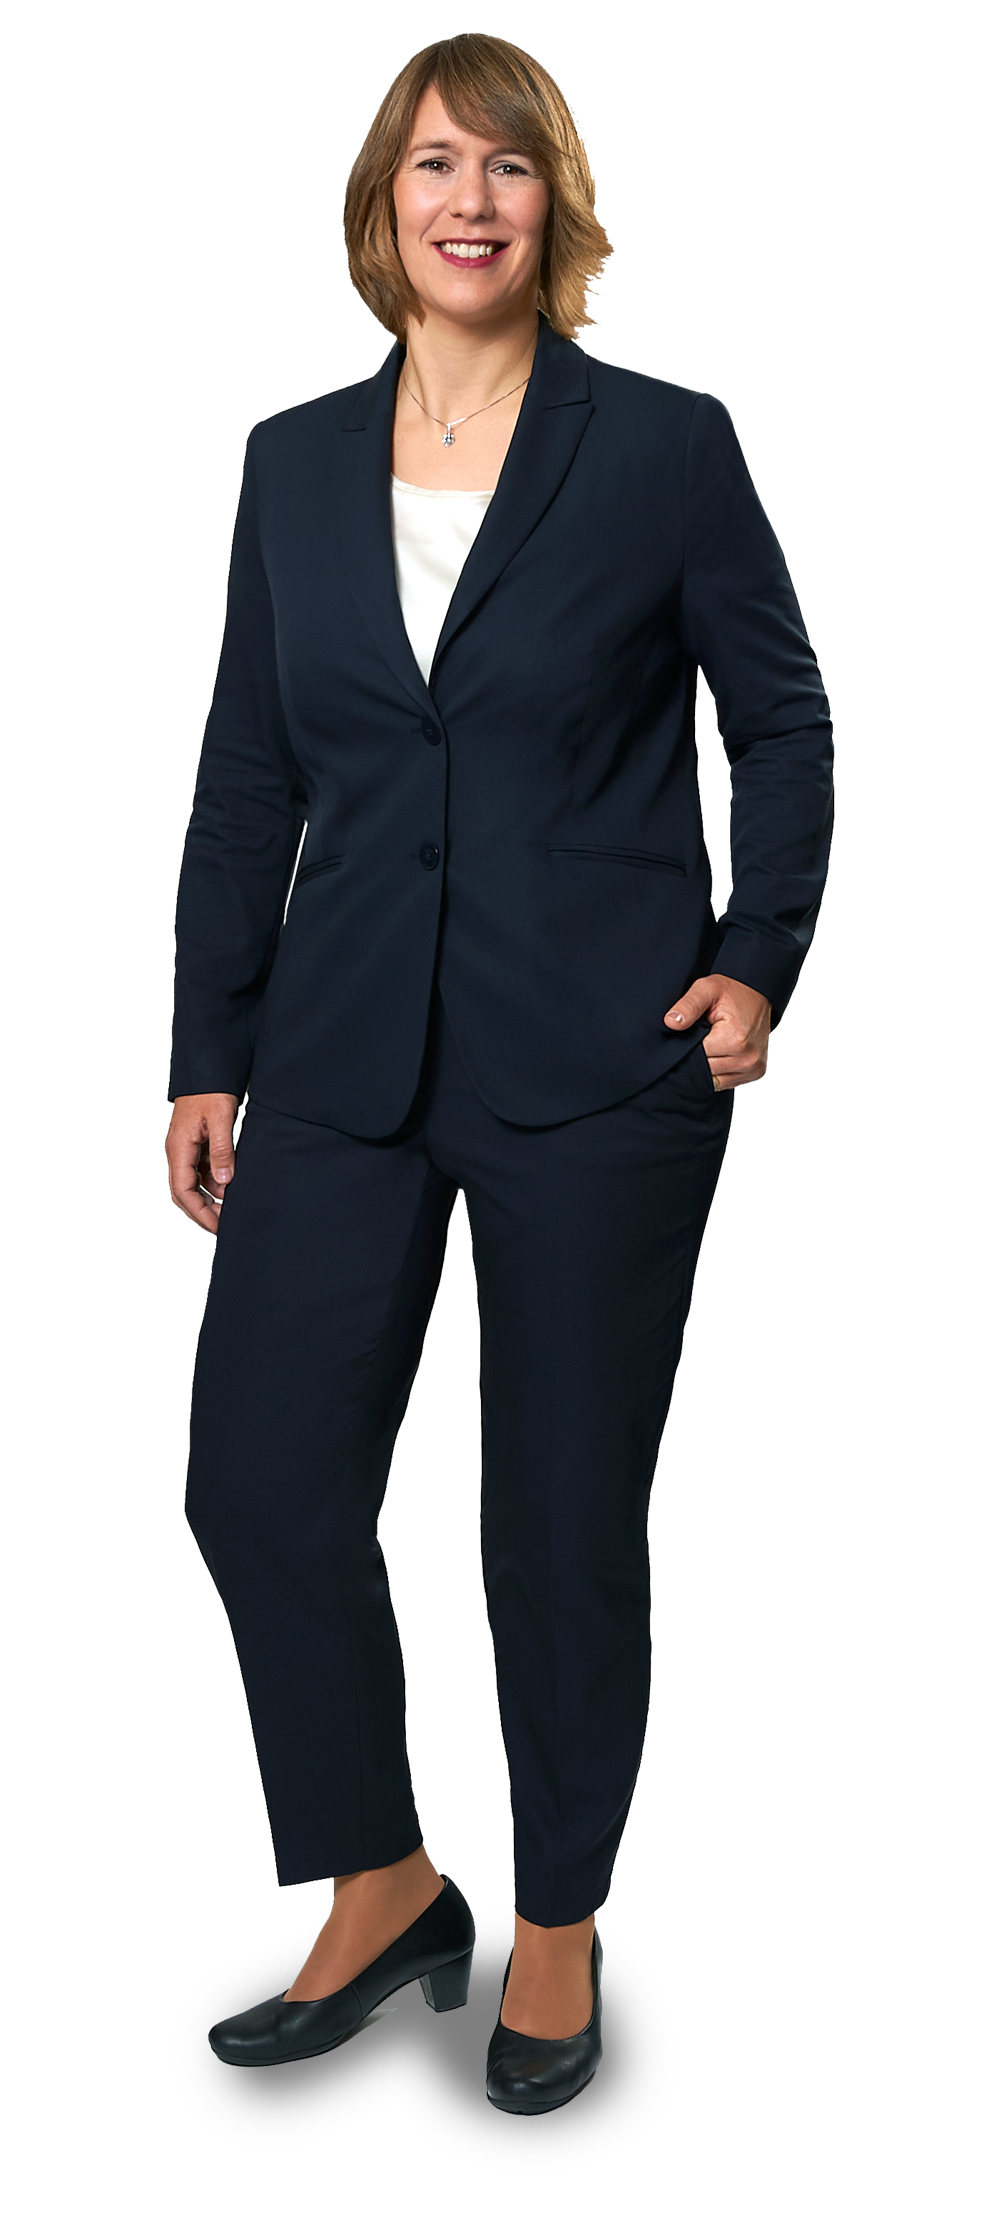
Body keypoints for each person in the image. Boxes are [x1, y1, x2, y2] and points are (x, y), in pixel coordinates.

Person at [166, 34, 833, 2116]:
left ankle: (555, 1929)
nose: (472, 200)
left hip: (602, 1056)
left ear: (555, 209)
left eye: (510, 168)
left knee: (555, 1522)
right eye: (437, 163)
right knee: (258, 1479)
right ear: (384, 201)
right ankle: (382, 1887)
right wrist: (206, 1047)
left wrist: (754, 962)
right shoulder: (293, 466)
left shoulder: (660, 451)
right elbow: (249, 775)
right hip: (342, 1049)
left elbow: (782, 722)